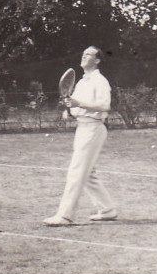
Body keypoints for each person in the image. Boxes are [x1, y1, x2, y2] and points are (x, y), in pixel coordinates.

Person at [44, 46, 118, 226]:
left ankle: (65, 215)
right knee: (88, 173)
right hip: (82, 127)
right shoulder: (82, 82)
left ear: (98, 60)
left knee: (77, 171)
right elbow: (76, 106)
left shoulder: (100, 81)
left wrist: (79, 104)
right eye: (83, 54)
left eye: (88, 54)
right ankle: (107, 209)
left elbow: (104, 106)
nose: (84, 56)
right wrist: (70, 111)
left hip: (94, 128)